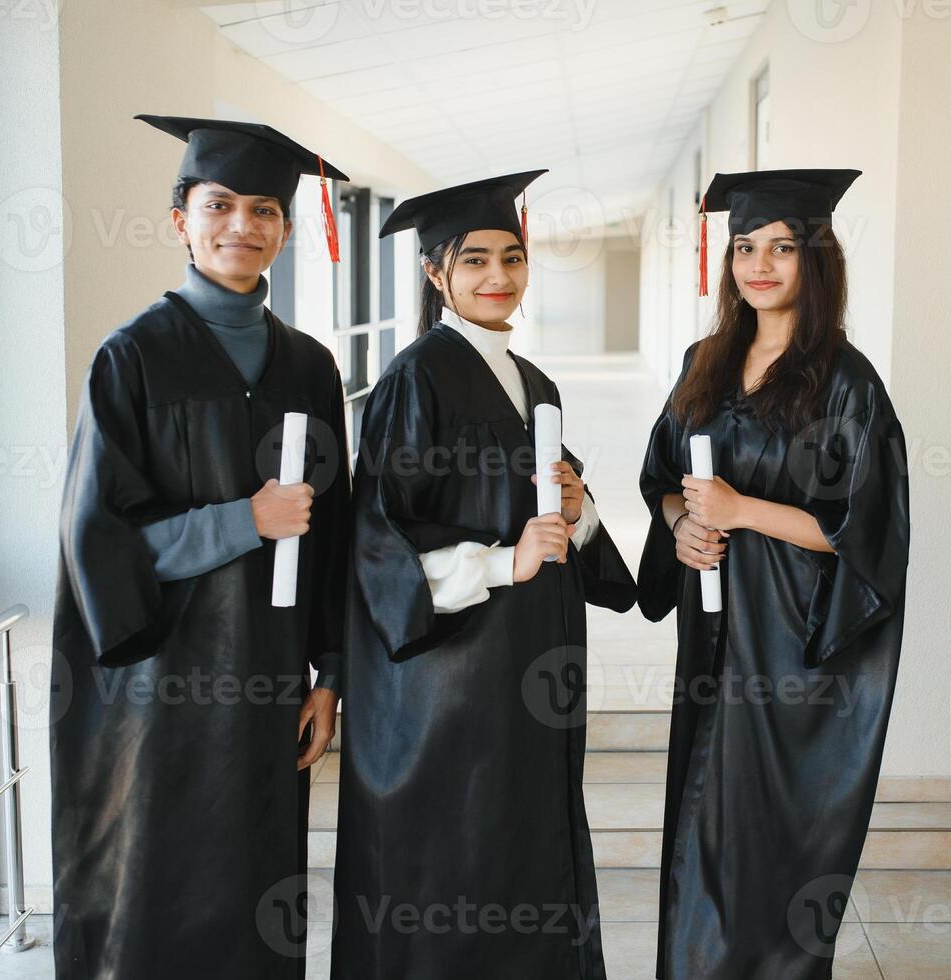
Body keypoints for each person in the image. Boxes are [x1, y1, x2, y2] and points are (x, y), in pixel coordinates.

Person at [50, 115, 351, 978]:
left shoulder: (309, 366)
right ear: (181, 217)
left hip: (269, 680)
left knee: (261, 886)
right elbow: (94, 541)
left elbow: (333, 533)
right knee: (159, 890)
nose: (242, 226)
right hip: (160, 690)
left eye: (264, 210)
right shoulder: (133, 359)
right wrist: (240, 521)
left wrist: (330, 675)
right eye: (220, 204)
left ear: (286, 231)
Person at [331, 170, 638, 978]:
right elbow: (377, 538)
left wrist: (580, 508)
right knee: (463, 857)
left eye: (511, 257)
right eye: (474, 261)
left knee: (527, 842)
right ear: (437, 275)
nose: (497, 277)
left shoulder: (534, 383)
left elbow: (555, 523)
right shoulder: (415, 377)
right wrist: (507, 562)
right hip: (454, 680)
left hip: (528, 666)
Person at [638, 169, 910, 979]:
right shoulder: (705, 362)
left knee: (772, 837)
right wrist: (683, 524)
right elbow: (660, 479)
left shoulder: (848, 383)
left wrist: (741, 509)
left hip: (796, 646)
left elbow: (867, 534)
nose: (758, 265)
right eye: (745, 247)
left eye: (781, 249)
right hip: (714, 632)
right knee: (702, 823)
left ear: (815, 260)